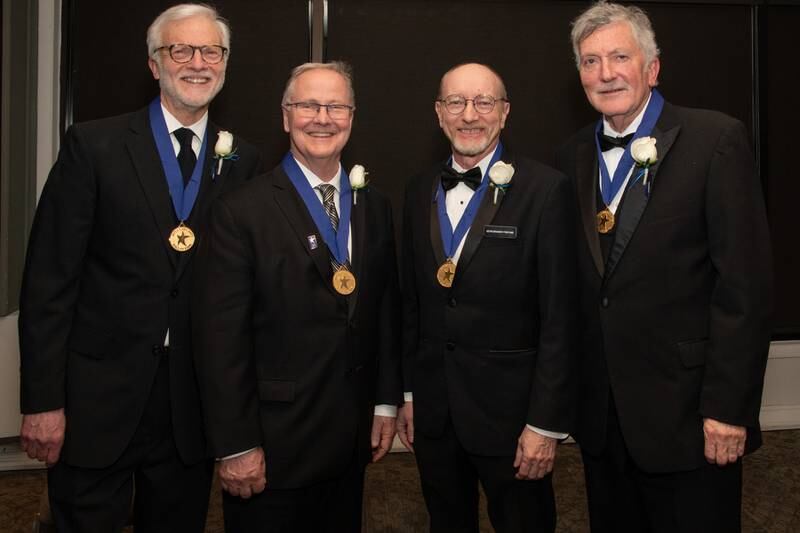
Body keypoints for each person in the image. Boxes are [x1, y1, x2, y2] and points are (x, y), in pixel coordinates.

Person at [17, 4, 262, 531]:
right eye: (181, 50)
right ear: (155, 64)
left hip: (188, 411)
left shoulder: (243, 162)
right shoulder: (94, 146)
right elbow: (48, 283)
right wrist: (42, 401)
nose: (197, 62)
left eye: (211, 51)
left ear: (225, 63)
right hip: (95, 404)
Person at [555, 2, 773, 532]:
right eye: (589, 61)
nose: (604, 73)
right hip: (604, 422)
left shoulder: (715, 140)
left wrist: (728, 408)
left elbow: (745, 288)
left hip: (691, 418)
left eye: (619, 57)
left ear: (652, 68)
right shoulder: (572, 155)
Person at [192, 61, 402, 533]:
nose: (322, 118)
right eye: (308, 105)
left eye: (335, 106)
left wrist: (385, 403)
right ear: (286, 116)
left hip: (350, 444)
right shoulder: (239, 211)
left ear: (352, 116)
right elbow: (220, 340)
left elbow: (383, 310)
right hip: (271, 448)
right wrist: (237, 445)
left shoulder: (373, 204)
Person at [397, 62, 577, 533]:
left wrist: (545, 424)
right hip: (436, 416)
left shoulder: (546, 190)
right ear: (439, 113)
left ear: (505, 113)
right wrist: (411, 394)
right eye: (456, 102)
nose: (469, 115)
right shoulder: (417, 191)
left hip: (514, 420)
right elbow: (413, 304)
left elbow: (560, 317)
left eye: (484, 102)